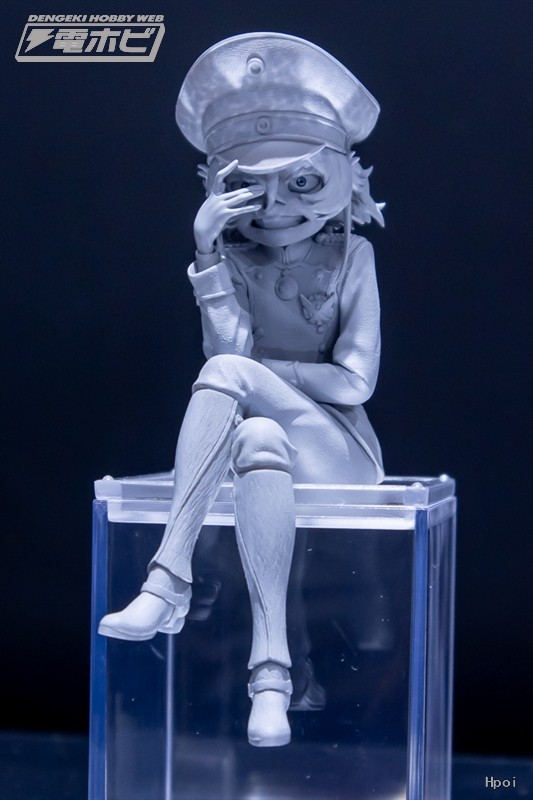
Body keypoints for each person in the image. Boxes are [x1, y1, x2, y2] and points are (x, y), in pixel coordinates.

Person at [98, 32, 385, 748]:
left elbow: (354, 380)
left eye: (301, 183)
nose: (276, 206)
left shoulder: (353, 256)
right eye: (251, 188)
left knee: (231, 380)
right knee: (255, 438)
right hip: (268, 438)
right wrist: (206, 256)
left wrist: (265, 376)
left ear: (339, 178)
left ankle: (168, 580)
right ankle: (274, 680)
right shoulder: (235, 262)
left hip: (340, 452)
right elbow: (226, 350)